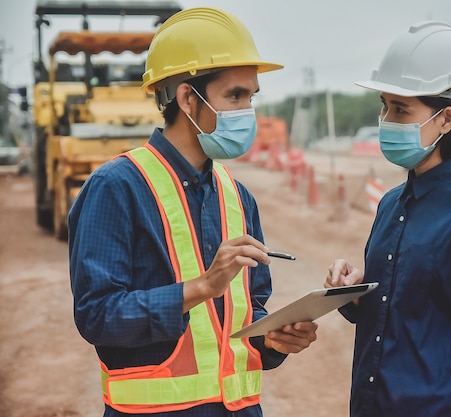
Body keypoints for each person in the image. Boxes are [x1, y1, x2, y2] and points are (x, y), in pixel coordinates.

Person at [69, 7, 317, 416]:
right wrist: (202, 287)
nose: (247, 110)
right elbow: (97, 315)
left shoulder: (238, 197)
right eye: (235, 95)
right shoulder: (116, 187)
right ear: (187, 97)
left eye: (251, 96)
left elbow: (248, 311)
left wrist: (272, 340)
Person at [325, 22, 451, 417]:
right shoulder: (391, 204)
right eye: (384, 105)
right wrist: (350, 294)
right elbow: (392, 314)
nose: (386, 119)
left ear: (446, 120)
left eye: (400, 109)